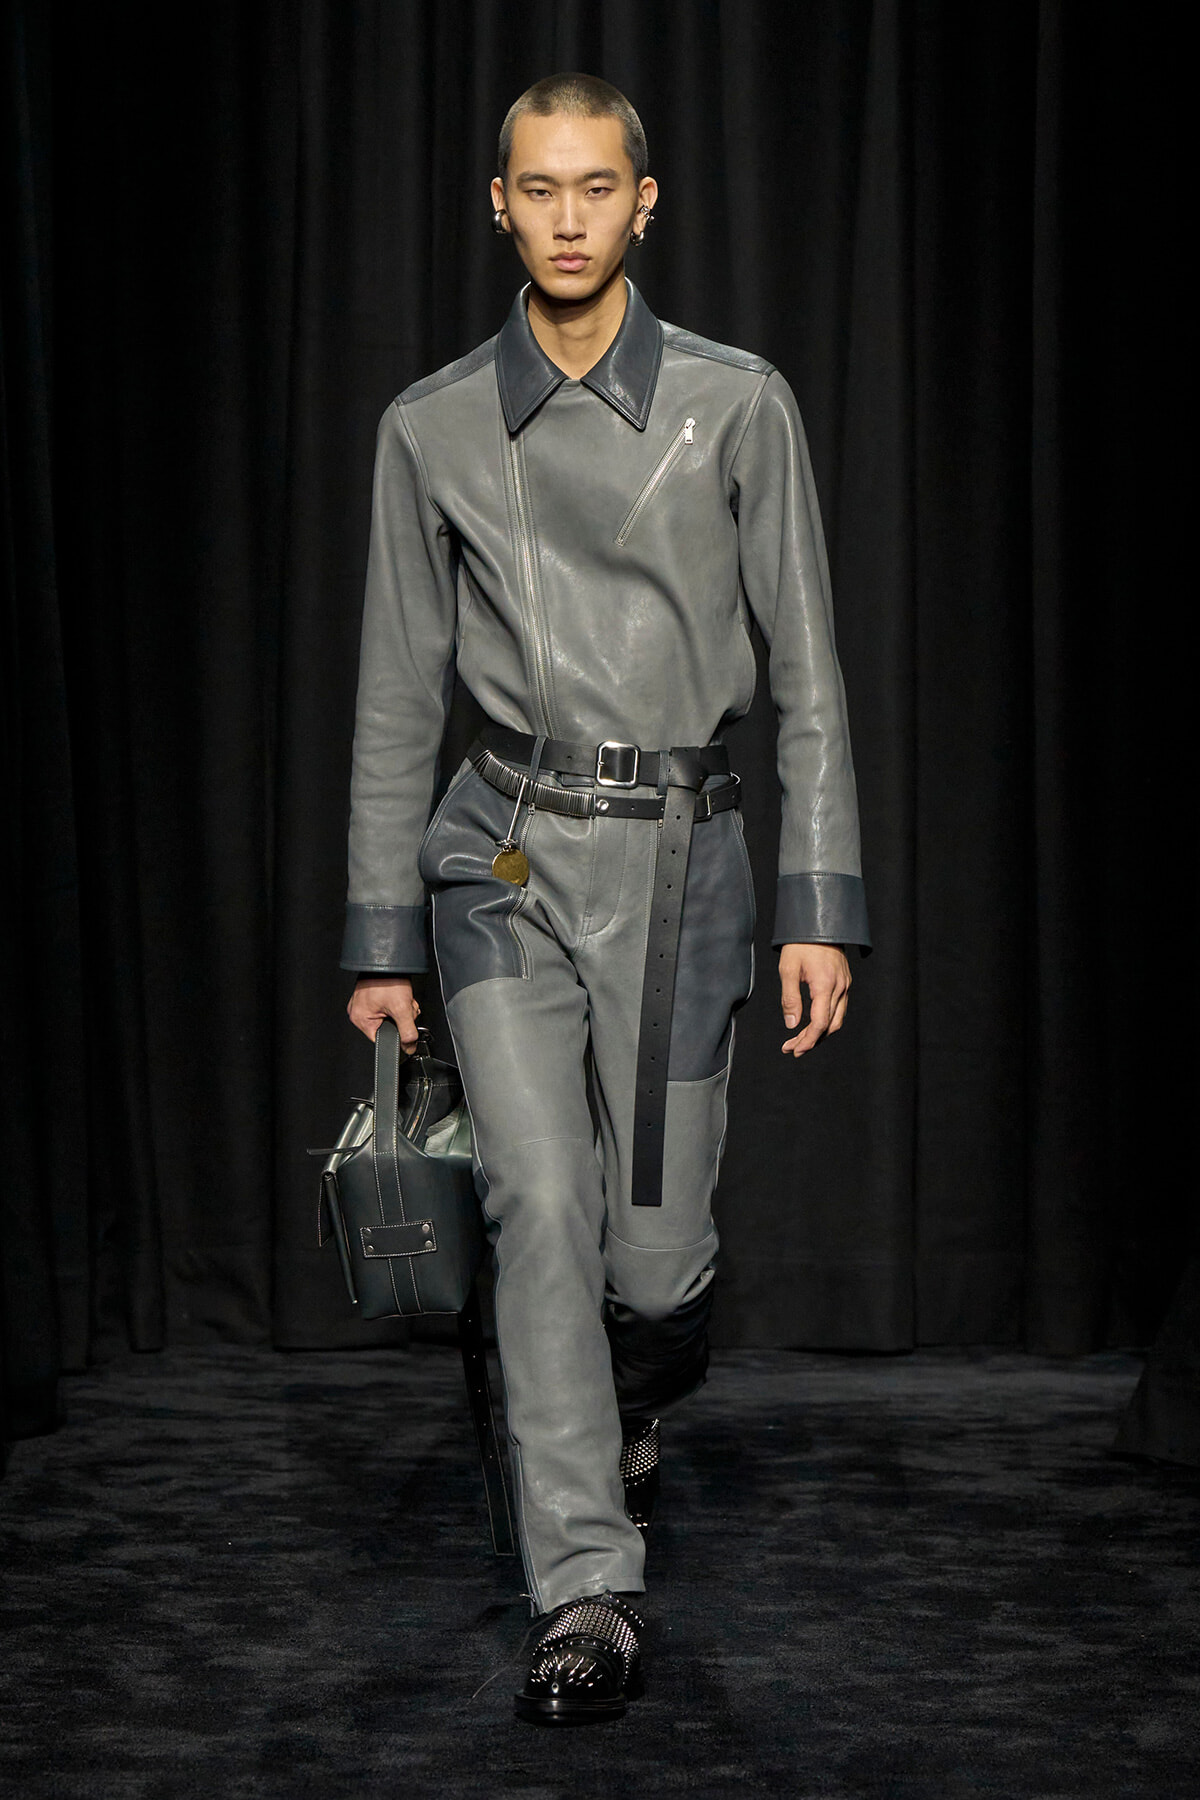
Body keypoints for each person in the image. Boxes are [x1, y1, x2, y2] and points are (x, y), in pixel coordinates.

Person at [343, 72, 870, 1726]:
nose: (568, 216)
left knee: (650, 1263)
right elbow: (393, 695)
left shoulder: (740, 403)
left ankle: (640, 1380)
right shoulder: (429, 426)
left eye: (597, 188)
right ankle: (587, 1589)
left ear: (649, 203)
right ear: (497, 206)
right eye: (537, 189)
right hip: (496, 854)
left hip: (686, 860)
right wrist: (378, 936)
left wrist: (816, 899)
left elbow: (809, 675)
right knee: (537, 1210)